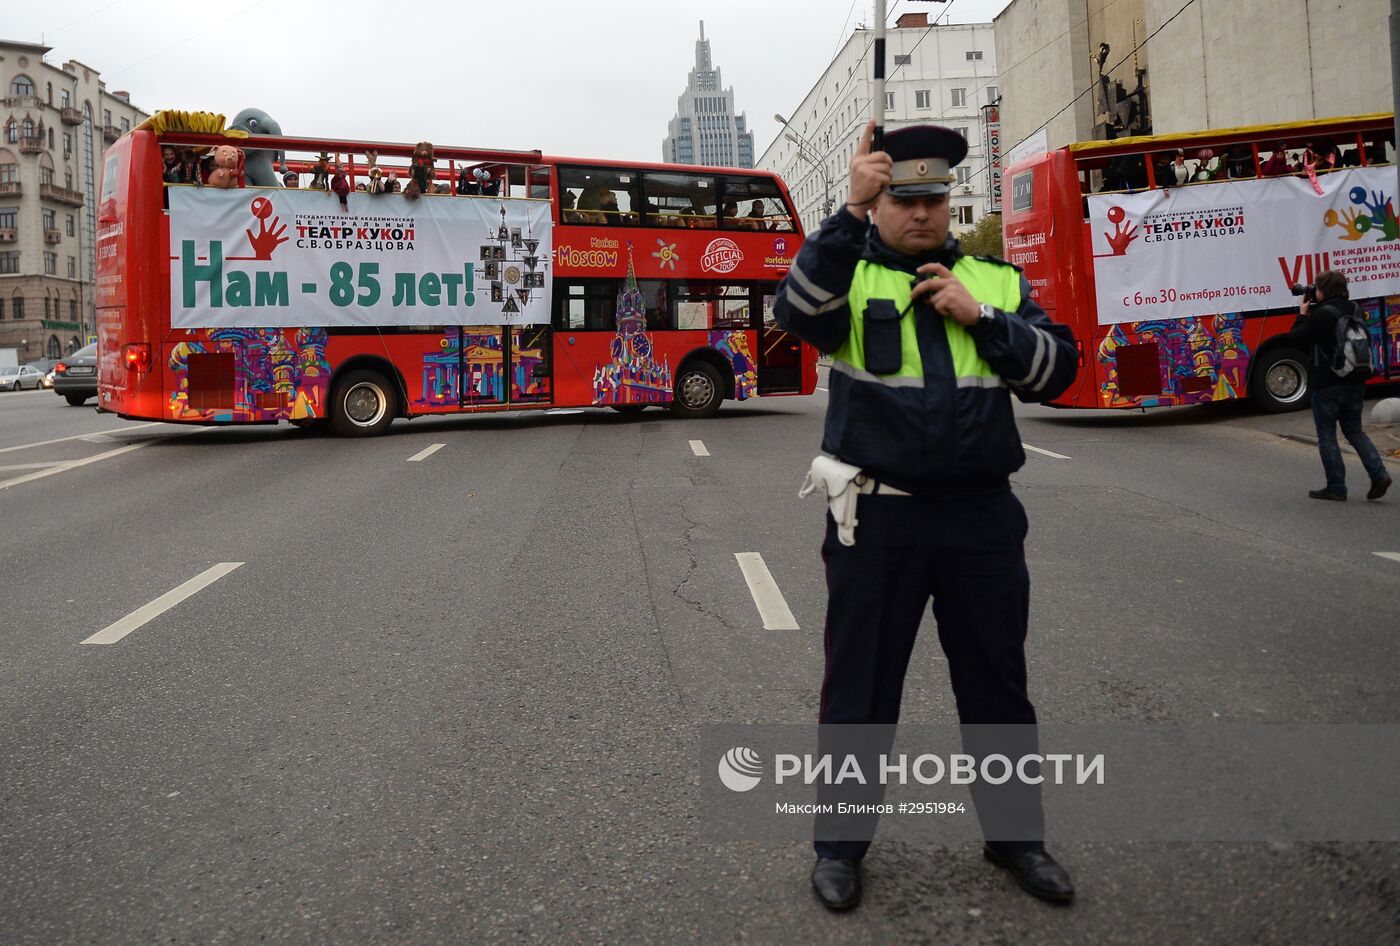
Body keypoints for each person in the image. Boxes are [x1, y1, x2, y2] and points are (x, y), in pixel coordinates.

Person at [774, 121, 1079, 912]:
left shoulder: (997, 283)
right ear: (881, 203)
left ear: (950, 201)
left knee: (997, 688)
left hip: (981, 518)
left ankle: (1017, 838)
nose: (920, 213)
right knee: (862, 692)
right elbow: (796, 313)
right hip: (881, 521)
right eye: (902, 198)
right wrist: (843, 215)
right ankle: (839, 849)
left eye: (932, 198)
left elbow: (1060, 373)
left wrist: (981, 318)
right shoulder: (853, 274)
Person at [1289, 270, 1392, 501]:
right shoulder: (1356, 309)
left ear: (1322, 290)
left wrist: (1303, 314)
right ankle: (1379, 474)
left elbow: (1296, 339)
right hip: (1355, 380)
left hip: (1327, 384)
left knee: (1327, 436)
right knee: (1355, 431)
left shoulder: (1322, 314)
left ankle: (1336, 486)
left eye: (1316, 288)